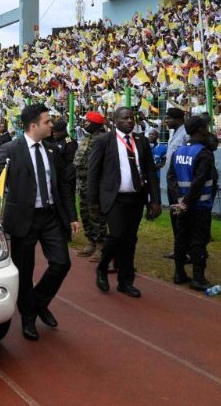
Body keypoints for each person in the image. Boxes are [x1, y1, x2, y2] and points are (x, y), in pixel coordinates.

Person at [0, 104, 80, 341]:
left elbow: (63, 187)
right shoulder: (10, 149)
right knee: (24, 272)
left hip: (50, 217)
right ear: (34, 125)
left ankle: (37, 303)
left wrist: (73, 216)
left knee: (61, 263)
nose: (51, 125)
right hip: (22, 219)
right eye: (47, 122)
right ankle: (28, 317)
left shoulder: (53, 151)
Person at [87, 106, 162, 298]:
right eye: (125, 118)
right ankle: (103, 268)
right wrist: (93, 200)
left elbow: (151, 172)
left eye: (132, 118)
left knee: (130, 239)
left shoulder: (142, 141)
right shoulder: (103, 141)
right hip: (114, 198)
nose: (130, 121)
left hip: (136, 197)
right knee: (117, 235)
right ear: (115, 121)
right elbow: (93, 173)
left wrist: (155, 200)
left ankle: (125, 281)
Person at [166, 116, 217, 291]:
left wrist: (179, 200)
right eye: (205, 127)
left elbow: (171, 177)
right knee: (198, 241)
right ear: (201, 130)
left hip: (181, 206)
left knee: (181, 238)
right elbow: (199, 182)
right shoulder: (204, 153)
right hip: (199, 207)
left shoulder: (178, 151)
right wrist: (187, 202)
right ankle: (198, 278)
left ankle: (179, 273)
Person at [73, 111, 107, 260]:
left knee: (96, 216)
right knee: (85, 214)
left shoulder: (103, 139)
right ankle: (91, 242)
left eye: (87, 122)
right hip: (83, 183)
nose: (85, 124)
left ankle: (101, 247)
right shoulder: (88, 138)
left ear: (95, 124)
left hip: (95, 184)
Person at [162, 108, 189, 261]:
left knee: (182, 216)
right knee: (174, 215)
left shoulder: (186, 133)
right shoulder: (175, 131)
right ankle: (179, 250)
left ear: (178, 119)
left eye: (169, 118)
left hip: (182, 181)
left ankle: (186, 252)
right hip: (172, 179)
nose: (166, 121)